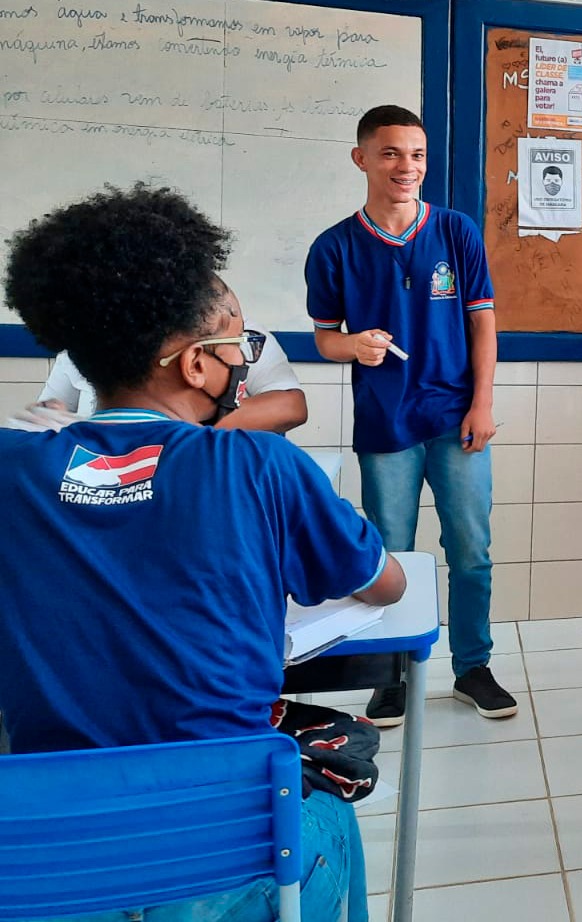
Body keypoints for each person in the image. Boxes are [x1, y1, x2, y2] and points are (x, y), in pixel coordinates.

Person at [0, 183, 407, 922]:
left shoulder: (11, 467)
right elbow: (386, 585)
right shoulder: (261, 466)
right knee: (330, 807)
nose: (244, 364)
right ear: (193, 365)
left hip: (49, 863)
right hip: (223, 859)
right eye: (236, 347)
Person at [307, 104, 515, 726]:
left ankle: (472, 667)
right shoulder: (334, 247)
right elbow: (325, 338)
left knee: (471, 549)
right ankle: (391, 673)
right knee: (389, 553)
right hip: (386, 423)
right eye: (392, 153)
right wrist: (354, 345)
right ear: (362, 158)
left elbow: (483, 323)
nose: (407, 166)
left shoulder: (455, 231)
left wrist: (482, 403)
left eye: (417, 154)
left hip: (456, 417)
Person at [35, 324, 308, 432]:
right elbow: (44, 420)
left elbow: (290, 407)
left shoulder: (238, 337)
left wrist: (170, 433)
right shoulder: (83, 348)